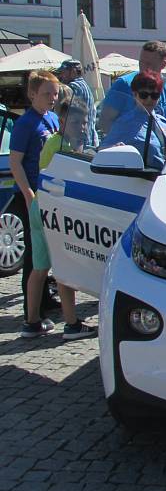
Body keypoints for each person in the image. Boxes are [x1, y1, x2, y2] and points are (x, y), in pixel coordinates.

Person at [21, 91, 97, 340]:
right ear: (62, 122)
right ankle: (72, 324)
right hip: (54, 211)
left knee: (39, 267)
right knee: (64, 268)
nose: (82, 126)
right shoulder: (62, 146)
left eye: (85, 122)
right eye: (76, 122)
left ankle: (31, 321)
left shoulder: (62, 142)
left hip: (41, 207)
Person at [8, 71, 60, 328]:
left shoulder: (51, 118)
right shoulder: (25, 123)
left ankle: (45, 299)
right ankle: (33, 311)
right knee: (33, 256)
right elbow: (15, 162)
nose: (52, 98)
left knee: (48, 252)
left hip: (49, 196)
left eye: (55, 93)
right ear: (32, 95)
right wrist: (27, 194)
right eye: (46, 94)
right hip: (32, 195)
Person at [99, 41, 166, 135]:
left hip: (160, 146)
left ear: (163, 65)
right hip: (128, 146)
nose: (144, 67)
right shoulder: (123, 85)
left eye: (150, 64)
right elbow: (105, 122)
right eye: (142, 62)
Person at [99, 71, 166, 169]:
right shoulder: (125, 122)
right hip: (141, 179)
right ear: (135, 95)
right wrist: (116, 149)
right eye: (144, 95)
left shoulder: (162, 121)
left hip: (165, 178)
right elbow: (102, 151)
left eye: (154, 95)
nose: (149, 99)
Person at [56, 59, 99, 147]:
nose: (62, 75)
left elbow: (68, 113)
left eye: (64, 72)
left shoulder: (73, 86)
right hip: (88, 136)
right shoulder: (85, 85)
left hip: (77, 138)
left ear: (73, 71)